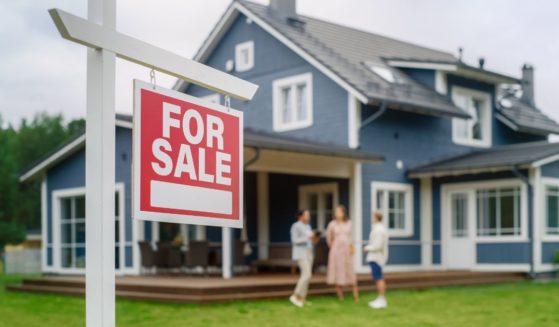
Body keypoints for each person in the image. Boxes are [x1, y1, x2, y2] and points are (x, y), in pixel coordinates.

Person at [326, 205, 358, 302]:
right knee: (338, 271)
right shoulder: (332, 224)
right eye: (336, 212)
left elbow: (351, 237)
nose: (337, 214)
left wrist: (351, 247)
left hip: (347, 251)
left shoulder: (349, 223)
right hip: (336, 251)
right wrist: (334, 247)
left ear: (343, 213)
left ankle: (355, 297)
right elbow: (329, 238)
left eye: (339, 212)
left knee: (349, 271)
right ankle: (340, 297)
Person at [289, 210, 317, 308]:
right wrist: (308, 238)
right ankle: (295, 295)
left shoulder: (308, 227)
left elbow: (310, 240)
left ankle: (302, 298)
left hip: (309, 252)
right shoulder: (295, 226)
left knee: (308, 276)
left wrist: (314, 239)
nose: (308, 217)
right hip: (300, 254)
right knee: (307, 274)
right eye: (306, 215)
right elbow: (295, 240)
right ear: (300, 216)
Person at [364, 210, 389, 309]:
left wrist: (367, 248)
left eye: (373, 216)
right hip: (375, 257)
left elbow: (378, 245)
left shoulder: (379, 230)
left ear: (376, 217)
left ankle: (382, 299)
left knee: (379, 278)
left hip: (377, 258)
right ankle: (380, 298)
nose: (371, 218)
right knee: (377, 278)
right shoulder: (378, 228)